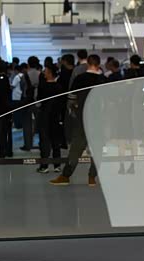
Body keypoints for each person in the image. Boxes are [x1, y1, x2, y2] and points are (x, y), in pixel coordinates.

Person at [49, 54, 106, 186]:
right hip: (99, 119)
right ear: (98, 64)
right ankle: (92, 177)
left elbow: (71, 98)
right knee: (97, 149)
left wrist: (72, 112)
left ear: (88, 64)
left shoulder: (80, 78)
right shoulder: (104, 80)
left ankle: (65, 175)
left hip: (82, 118)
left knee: (76, 148)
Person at [36, 63, 64, 173]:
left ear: (50, 73)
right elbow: (61, 103)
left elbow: (39, 101)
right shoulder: (59, 87)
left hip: (44, 116)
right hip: (55, 117)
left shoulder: (42, 86)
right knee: (55, 141)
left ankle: (44, 166)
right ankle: (57, 165)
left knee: (44, 141)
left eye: (46, 71)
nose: (44, 73)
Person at [21, 56, 41, 151]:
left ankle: (28, 145)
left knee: (27, 124)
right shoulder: (41, 74)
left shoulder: (25, 75)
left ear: (28, 64)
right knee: (40, 123)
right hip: (38, 101)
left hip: (27, 101)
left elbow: (23, 88)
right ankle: (42, 143)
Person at [10, 62, 26, 130]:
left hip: (16, 96)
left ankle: (17, 125)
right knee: (20, 111)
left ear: (16, 70)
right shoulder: (23, 75)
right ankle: (21, 124)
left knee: (16, 112)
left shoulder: (17, 77)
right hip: (21, 95)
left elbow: (13, 86)